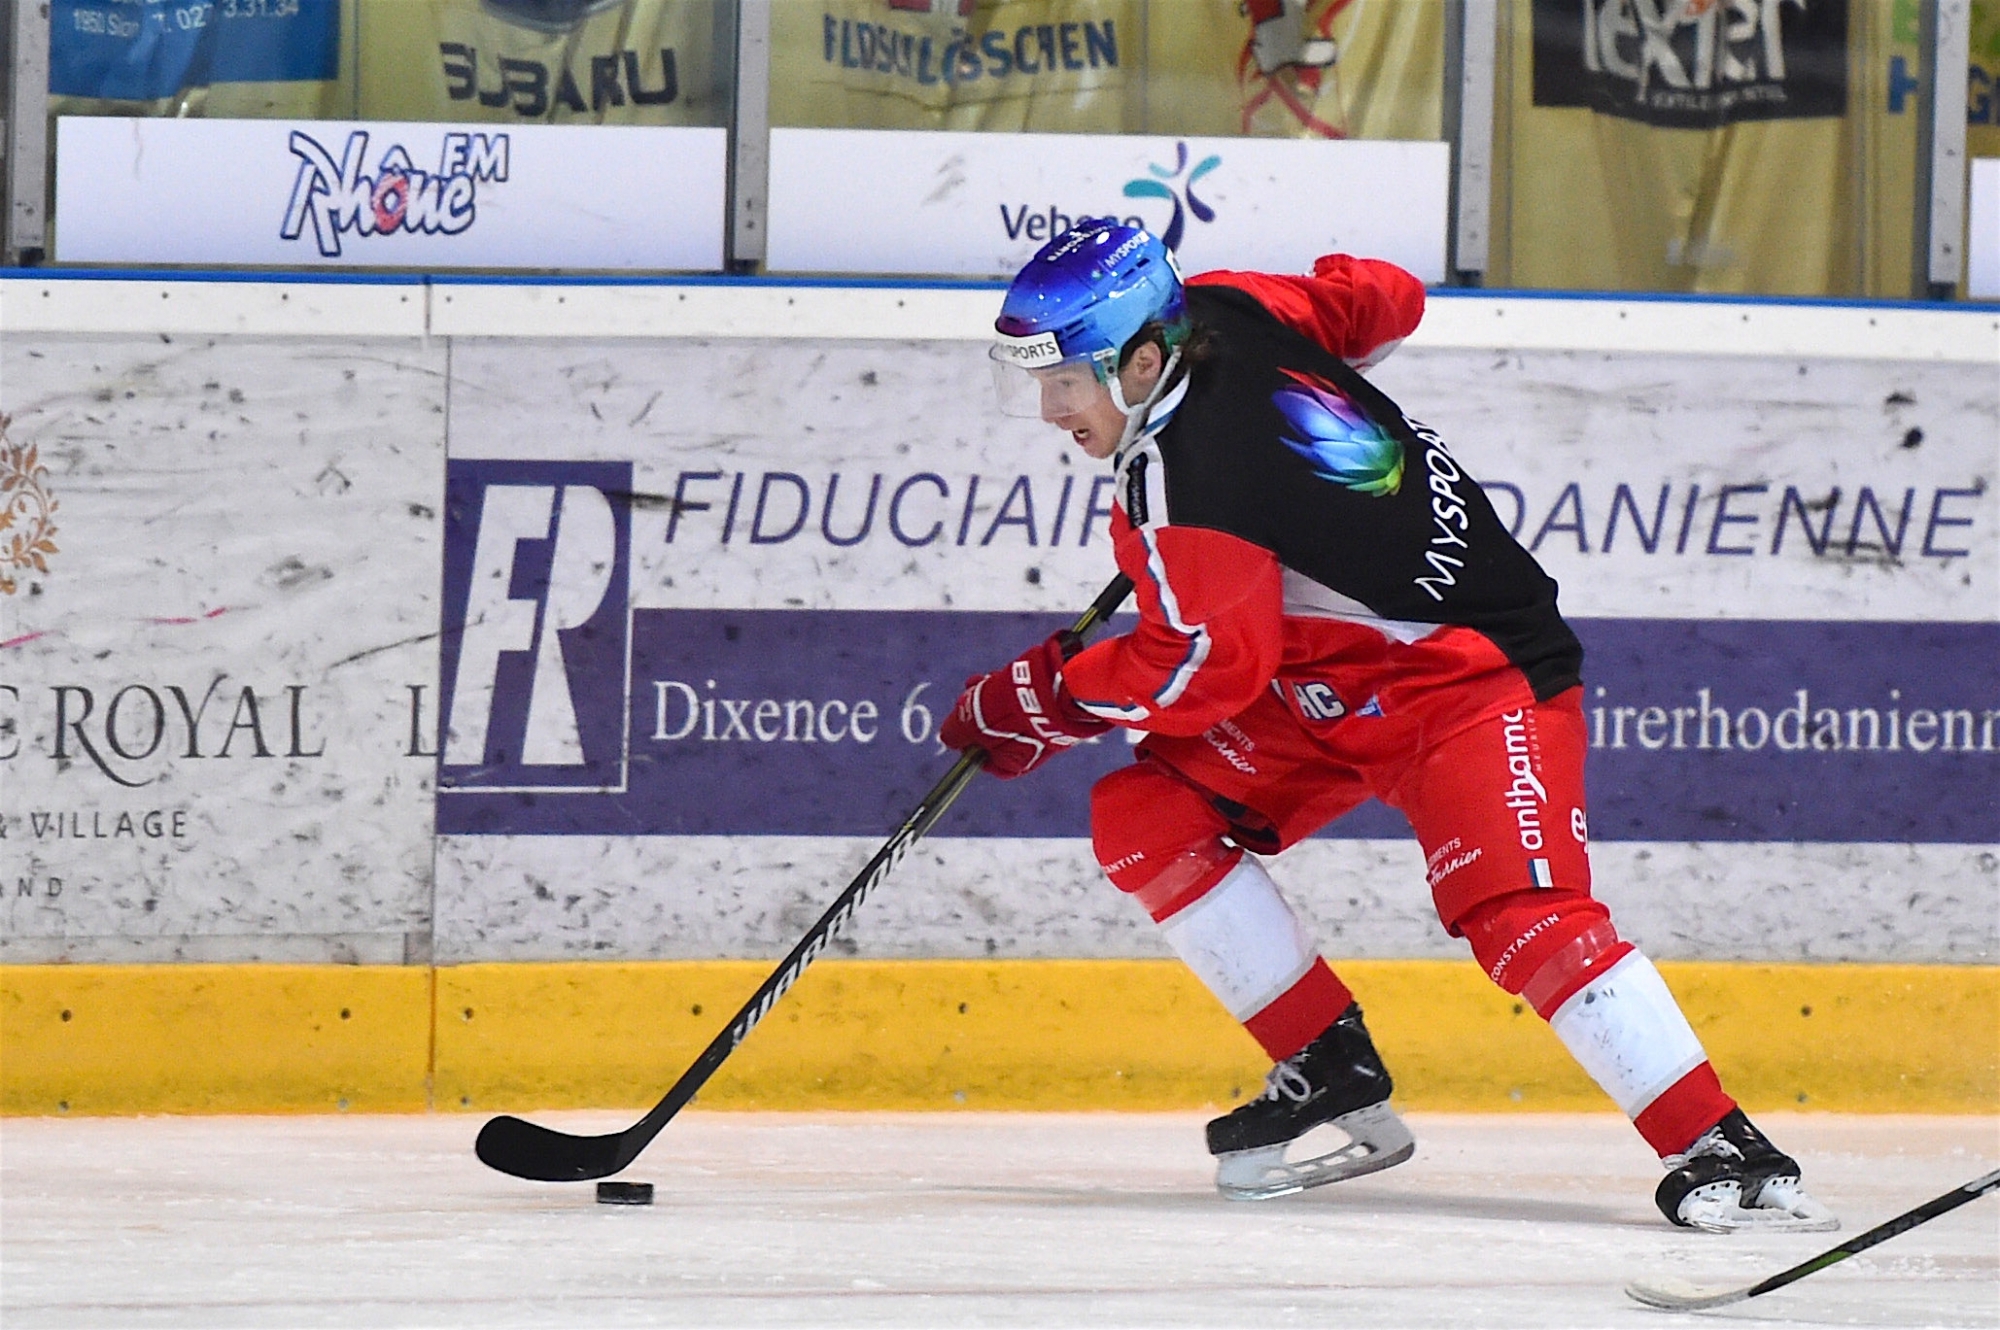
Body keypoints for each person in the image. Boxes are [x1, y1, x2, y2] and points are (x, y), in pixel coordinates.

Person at [938, 218, 1837, 1233]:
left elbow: (1201, 668)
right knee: (1146, 813)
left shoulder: (1183, 484)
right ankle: (1325, 1063)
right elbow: (1383, 297)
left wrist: (1036, 698)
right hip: (1325, 686)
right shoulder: (1235, 305)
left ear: (1143, 359)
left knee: (1518, 915)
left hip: (1470, 677)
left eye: (1065, 378)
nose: (1049, 408)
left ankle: (1714, 1138)